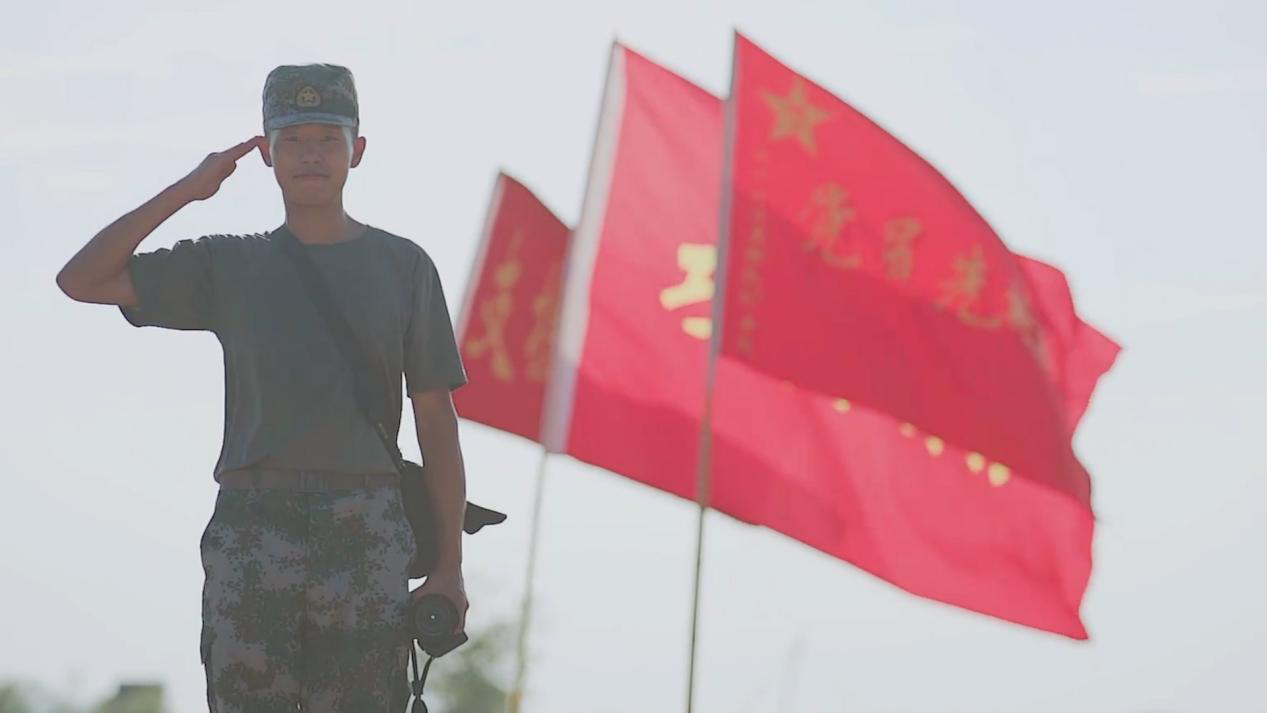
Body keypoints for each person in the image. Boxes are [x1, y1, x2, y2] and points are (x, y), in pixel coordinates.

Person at [55, 63, 470, 712]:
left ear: (357, 150)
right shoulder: (229, 263)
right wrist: (189, 189)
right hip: (253, 527)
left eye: (327, 138)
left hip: (364, 529)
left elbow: (436, 418)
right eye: (292, 139)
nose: (311, 154)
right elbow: (82, 279)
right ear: (267, 153)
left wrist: (448, 567)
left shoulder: (403, 267)